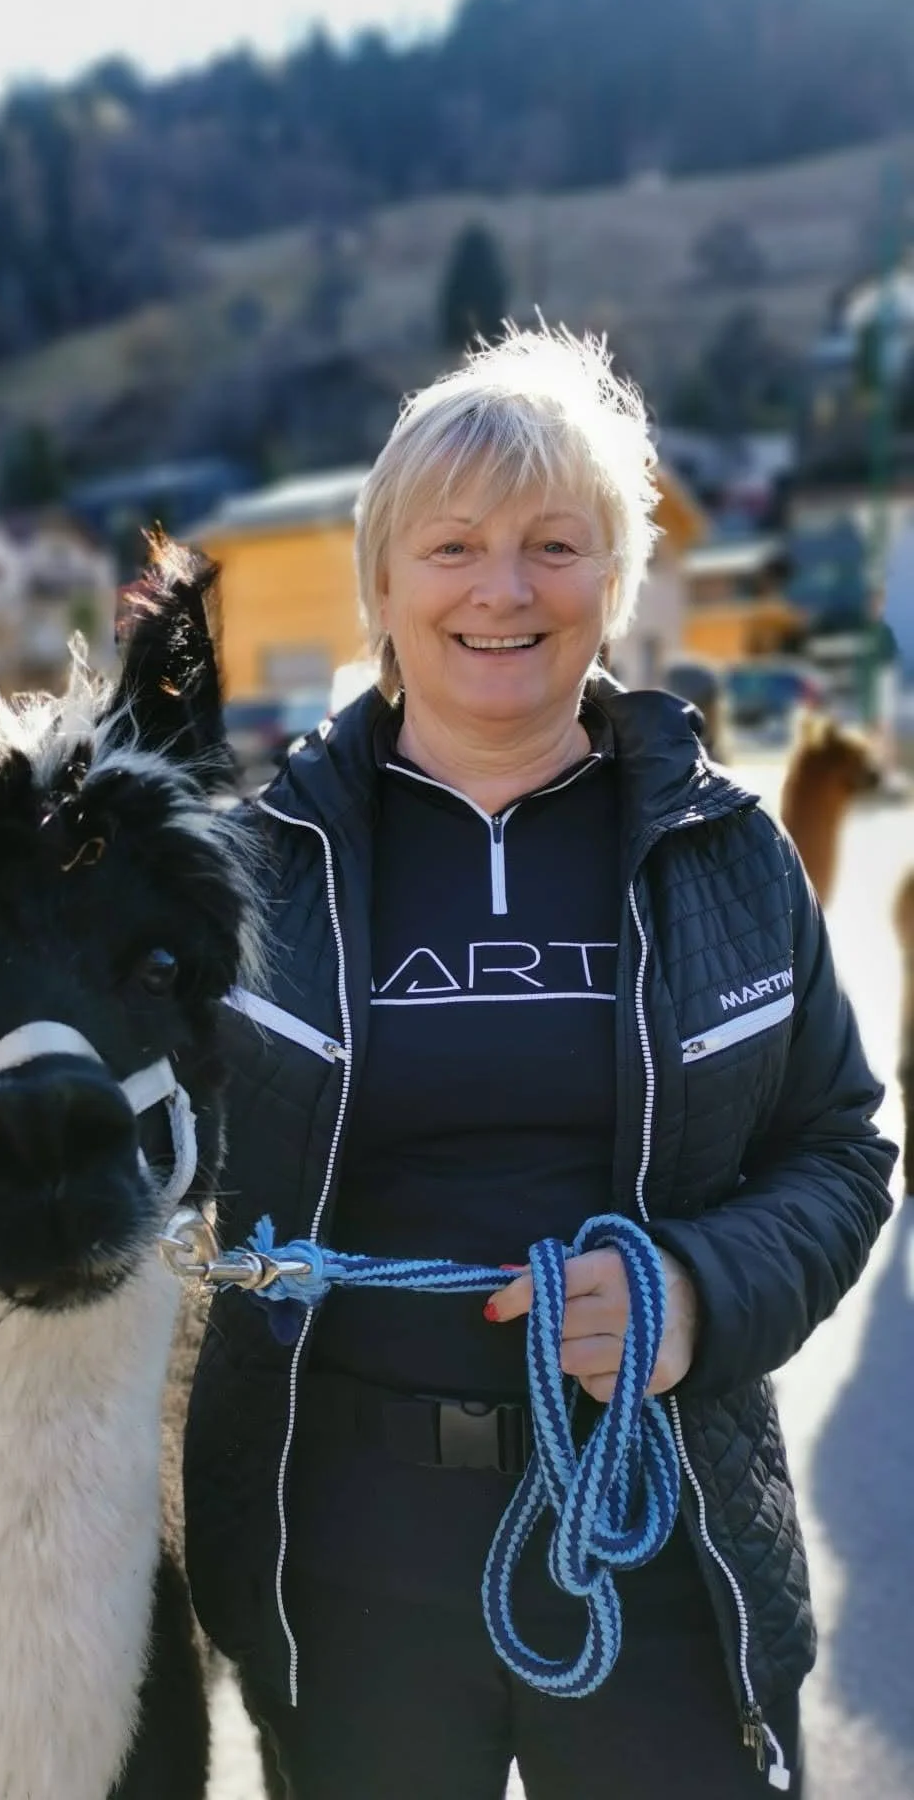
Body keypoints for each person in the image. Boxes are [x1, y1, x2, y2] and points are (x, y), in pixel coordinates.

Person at [183, 326, 896, 1800]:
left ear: (613, 580)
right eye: (451, 547)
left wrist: (693, 1293)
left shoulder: (730, 856)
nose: (503, 590)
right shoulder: (247, 879)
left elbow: (840, 1150)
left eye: (554, 544)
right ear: (383, 585)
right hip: (348, 1568)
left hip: (661, 1534)